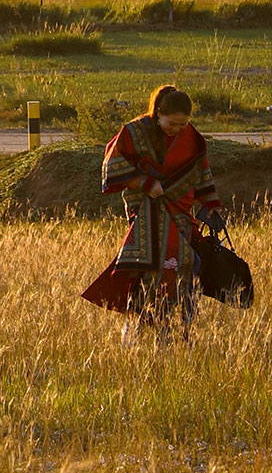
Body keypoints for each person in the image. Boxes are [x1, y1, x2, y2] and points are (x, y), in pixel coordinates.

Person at [82, 85, 225, 337]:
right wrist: (147, 184)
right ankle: (149, 325)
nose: (178, 130)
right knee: (173, 262)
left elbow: (201, 172)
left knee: (184, 265)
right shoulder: (134, 131)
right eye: (172, 124)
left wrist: (211, 207)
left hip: (181, 211)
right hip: (146, 209)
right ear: (158, 113)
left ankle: (176, 327)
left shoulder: (191, 137)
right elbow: (111, 166)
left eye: (183, 124)